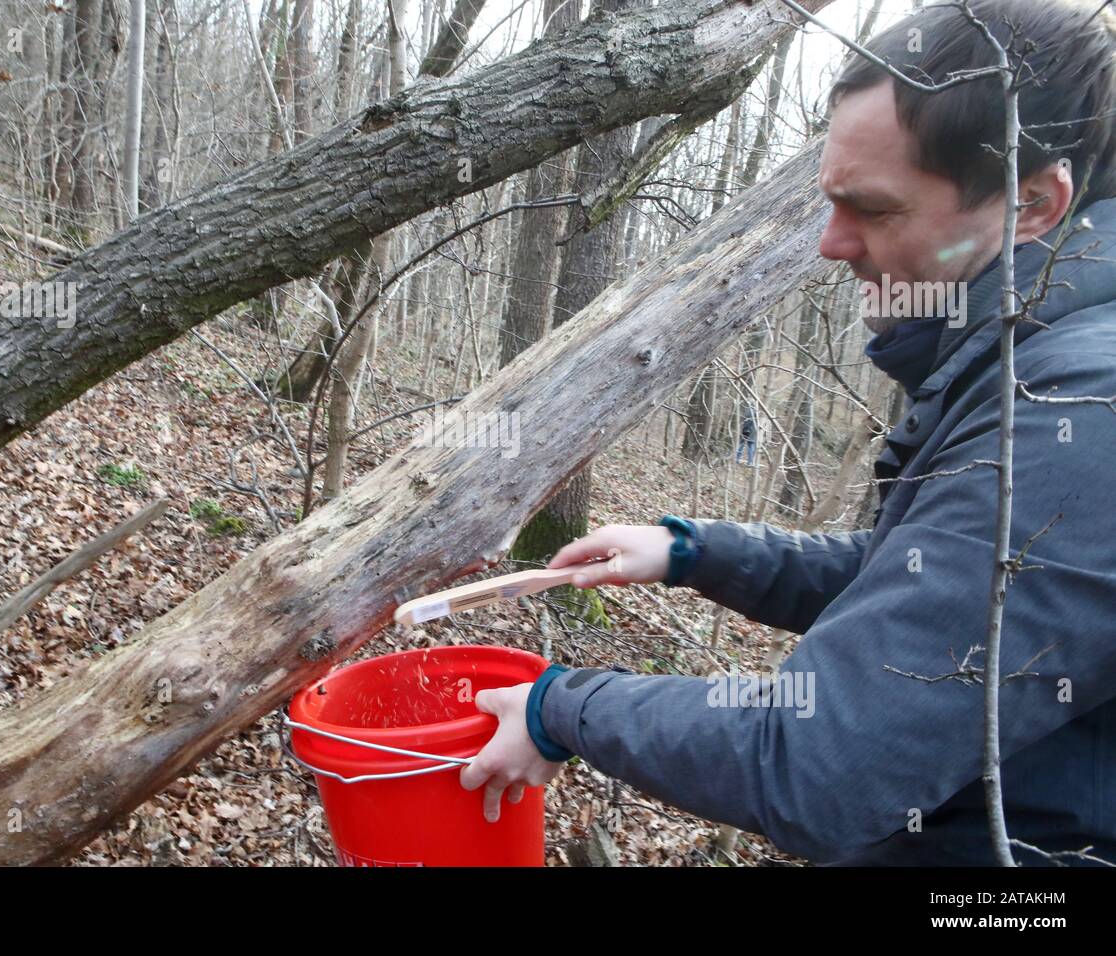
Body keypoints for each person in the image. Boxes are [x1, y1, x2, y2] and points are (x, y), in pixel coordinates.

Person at [461, 0, 1116, 865]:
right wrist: (690, 553)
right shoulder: (1026, 357)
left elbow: (819, 762)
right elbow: (924, 577)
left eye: (873, 209)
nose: (832, 243)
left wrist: (561, 708)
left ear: (1032, 204)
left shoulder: (1080, 405)